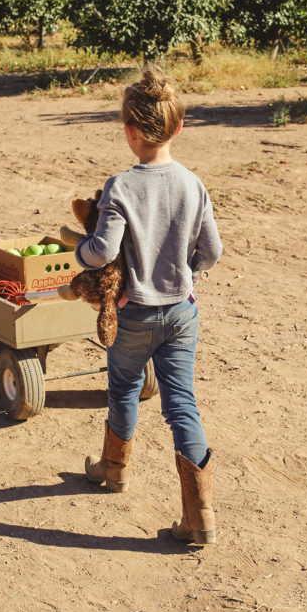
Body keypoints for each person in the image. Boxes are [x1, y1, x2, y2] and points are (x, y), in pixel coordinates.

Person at [65, 64, 223, 544]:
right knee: (182, 405)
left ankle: (114, 470)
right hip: (181, 312)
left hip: (133, 313)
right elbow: (212, 251)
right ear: (179, 126)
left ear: (129, 132)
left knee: (125, 388)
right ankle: (200, 518)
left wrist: (78, 252)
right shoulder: (192, 184)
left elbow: (103, 252)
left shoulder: (122, 186)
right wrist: (185, 272)